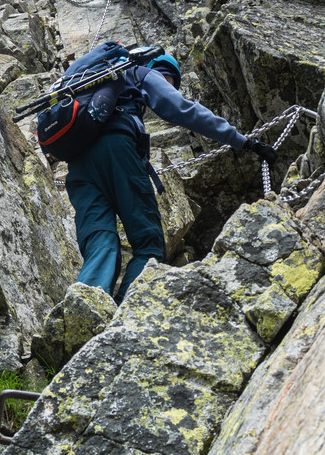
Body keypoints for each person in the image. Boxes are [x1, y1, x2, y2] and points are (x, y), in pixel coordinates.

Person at [64, 52, 278, 303]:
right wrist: (244, 142)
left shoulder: (88, 84)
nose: (169, 87)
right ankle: (127, 312)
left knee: (101, 239)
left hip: (76, 160)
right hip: (117, 149)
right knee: (149, 246)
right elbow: (183, 110)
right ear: (160, 69)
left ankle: (85, 306)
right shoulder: (140, 72)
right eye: (169, 81)